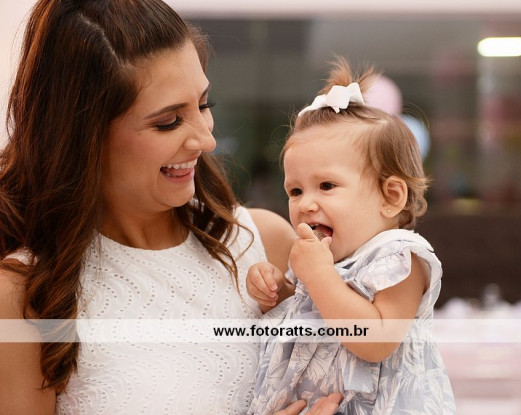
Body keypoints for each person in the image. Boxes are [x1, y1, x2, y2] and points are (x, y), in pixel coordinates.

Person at [0, 1, 341, 414]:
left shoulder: (265, 242)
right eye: (168, 122)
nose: (207, 140)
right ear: (82, 134)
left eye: (204, 105)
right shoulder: (25, 295)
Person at [246, 58, 456, 414]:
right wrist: (278, 293)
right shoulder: (322, 261)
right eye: (295, 191)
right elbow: (308, 315)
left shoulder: (399, 257)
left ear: (390, 197)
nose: (306, 204)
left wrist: (318, 276)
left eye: (327, 185)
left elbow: (376, 341)